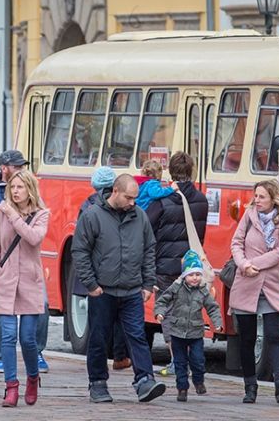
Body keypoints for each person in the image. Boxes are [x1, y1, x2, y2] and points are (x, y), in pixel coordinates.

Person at [72, 173, 165, 404]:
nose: (133, 202)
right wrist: (91, 284)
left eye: (134, 198)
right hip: (103, 290)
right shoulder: (93, 216)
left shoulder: (139, 216)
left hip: (132, 290)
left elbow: (149, 249)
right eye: (129, 197)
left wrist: (147, 283)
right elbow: (80, 251)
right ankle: (98, 383)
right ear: (115, 192)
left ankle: (145, 380)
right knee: (99, 338)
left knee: (137, 336)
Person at [0, 149, 51, 375]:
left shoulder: (35, 202)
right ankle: (1, 360)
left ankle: (37, 354)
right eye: (16, 166)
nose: (21, 170)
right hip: (5, 267)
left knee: (40, 309)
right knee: (3, 319)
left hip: (28, 270)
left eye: (22, 166)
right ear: (4, 168)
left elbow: (35, 233)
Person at [229, 179, 279, 404]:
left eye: (262, 197)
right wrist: (243, 264)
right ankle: (250, 387)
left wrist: (255, 262)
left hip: (271, 284)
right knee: (246, 339)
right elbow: (236, 243)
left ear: (273, 199)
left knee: (275, 336)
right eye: (255, 196)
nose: (257, 200)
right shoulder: (248, 215)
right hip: (246, 281)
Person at [0, 169, 50, 407]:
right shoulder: (1, 212)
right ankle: (11, 387)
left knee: (27, 339)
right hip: (5, 280)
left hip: (29, 282)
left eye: (20, 187)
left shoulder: (41, 214)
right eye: (12, 187)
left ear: (29, 189)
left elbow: (34, 238)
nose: (15, 192)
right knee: (8, 336)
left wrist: (13, 215)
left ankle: (32, 378)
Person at [146, 152, 209, 377]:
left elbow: (148, 229)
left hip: (165, 265)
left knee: (168, 313)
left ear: (170, 172)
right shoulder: (202, 199)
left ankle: (177, 360)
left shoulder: (162, 200)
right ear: (191, 170)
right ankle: (192, 357)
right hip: (191, 265)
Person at [76, 166, 130, 371]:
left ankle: (99, 370)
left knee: (99, 321)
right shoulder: (121, 207)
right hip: (114, 271)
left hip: (96, 272)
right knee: (118, 318)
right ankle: (118, 356)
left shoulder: (87, 205)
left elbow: (81, 243)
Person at [153, 250, 223, 402]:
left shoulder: (203, 291)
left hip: (195, 333)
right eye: (191, 275)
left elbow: (213, 307)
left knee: (198, 360)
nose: (195, 278)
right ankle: (182, 388)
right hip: (177, 332)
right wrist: (160, 313)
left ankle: (198, 381)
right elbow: (163, 301)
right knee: (180, 363)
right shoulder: (176, 287)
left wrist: (217, 323)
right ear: (185, 275)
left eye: (198, 274)